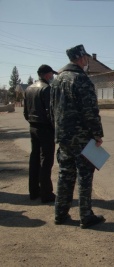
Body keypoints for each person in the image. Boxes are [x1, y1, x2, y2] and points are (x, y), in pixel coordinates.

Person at [50, 44, 105, 228]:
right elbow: (90, 111)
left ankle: (60, 213)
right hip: (81, 138)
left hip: (63, 137)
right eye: (86, 58)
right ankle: (86, 216)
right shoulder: (81, 79)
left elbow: (52, 110)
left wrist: (58, 131)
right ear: (82, 58)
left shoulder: (57, 80)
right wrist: (97, 134)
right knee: (84, 176)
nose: (87, 61)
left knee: (65, 174)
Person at [23, 64, 58, 203]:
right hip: (45, 129)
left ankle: (34, 191)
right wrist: (55, 128)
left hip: (33, 127)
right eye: (51, 74)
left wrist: (32, 121)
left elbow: (25, 112)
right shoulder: (46, 89)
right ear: (47, 75)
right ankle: (46, 193)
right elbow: (51, 113)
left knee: (34, 159)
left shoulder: (29, 88)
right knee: (46, 161)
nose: (53, 77)